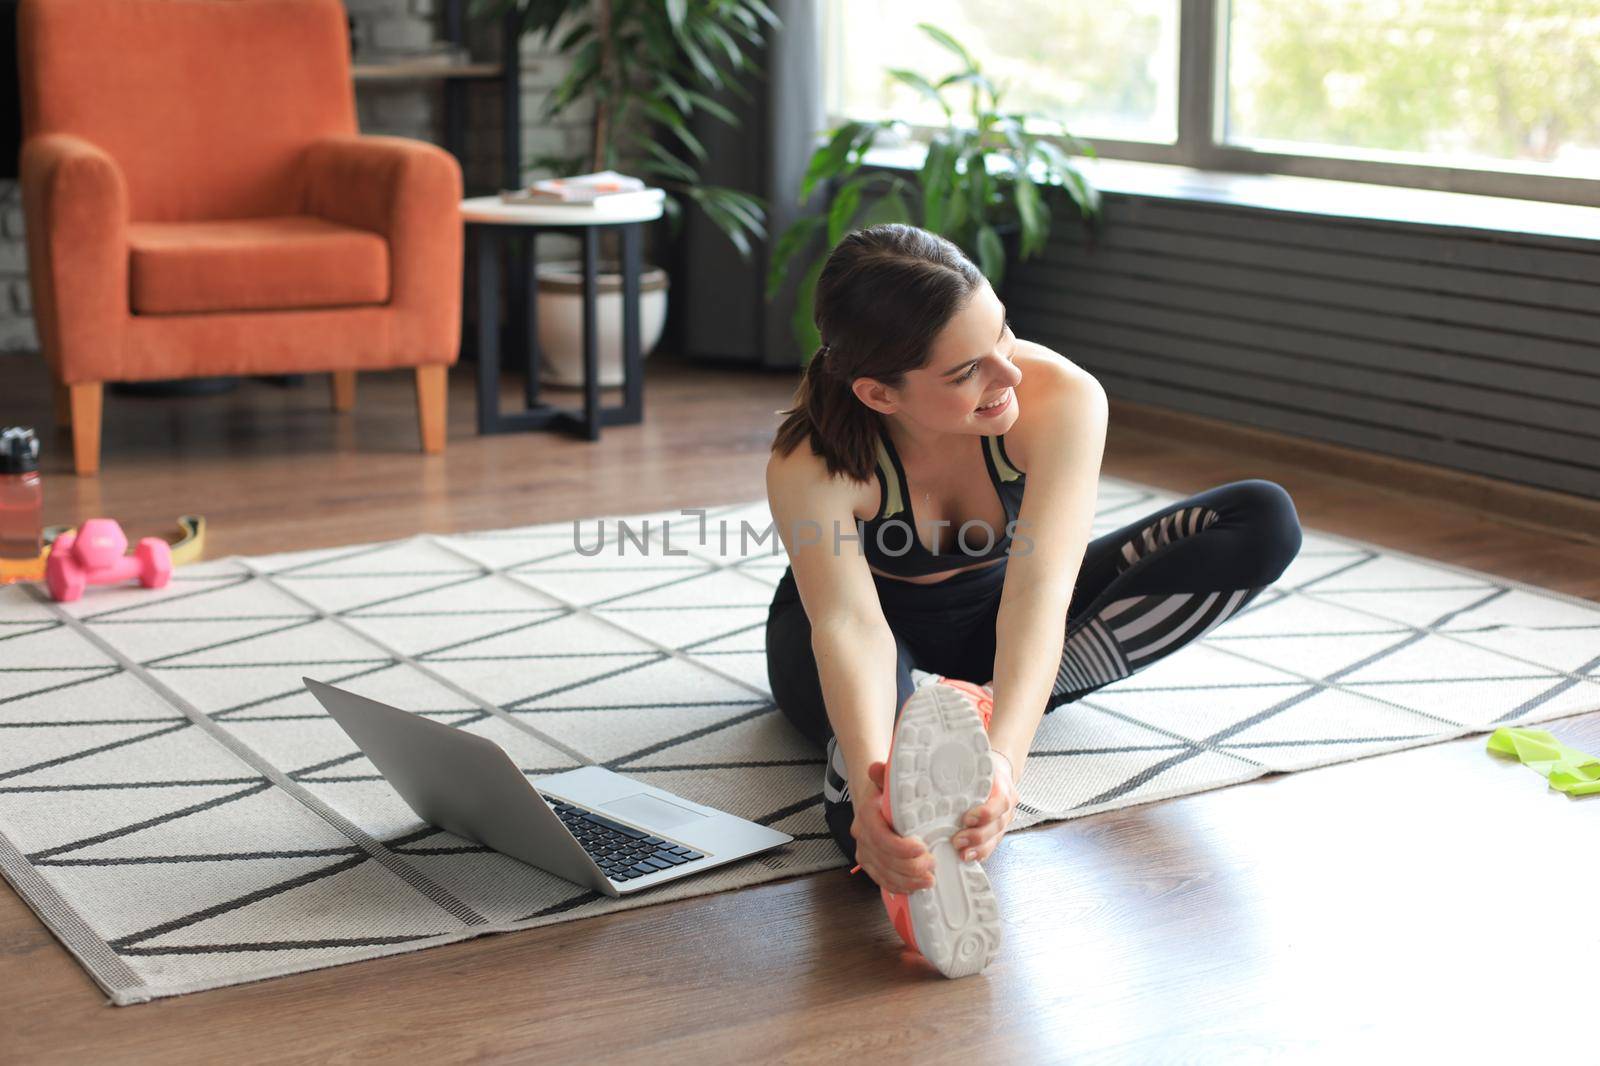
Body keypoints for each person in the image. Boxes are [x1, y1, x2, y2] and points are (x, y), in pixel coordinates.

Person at [763, 223, 1303, 975]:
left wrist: (1003, 764)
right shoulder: (810, 460)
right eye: (966, 372)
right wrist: (868, 779)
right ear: (880, 393)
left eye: (1005, 336)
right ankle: (901, 740)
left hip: (1002, 613)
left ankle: (979, 706)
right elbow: (849, 626)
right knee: (881, 828)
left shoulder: (1062, 397)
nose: (1008, 376)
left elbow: (1040, 591)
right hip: (866, 635)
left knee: (1260, 518)